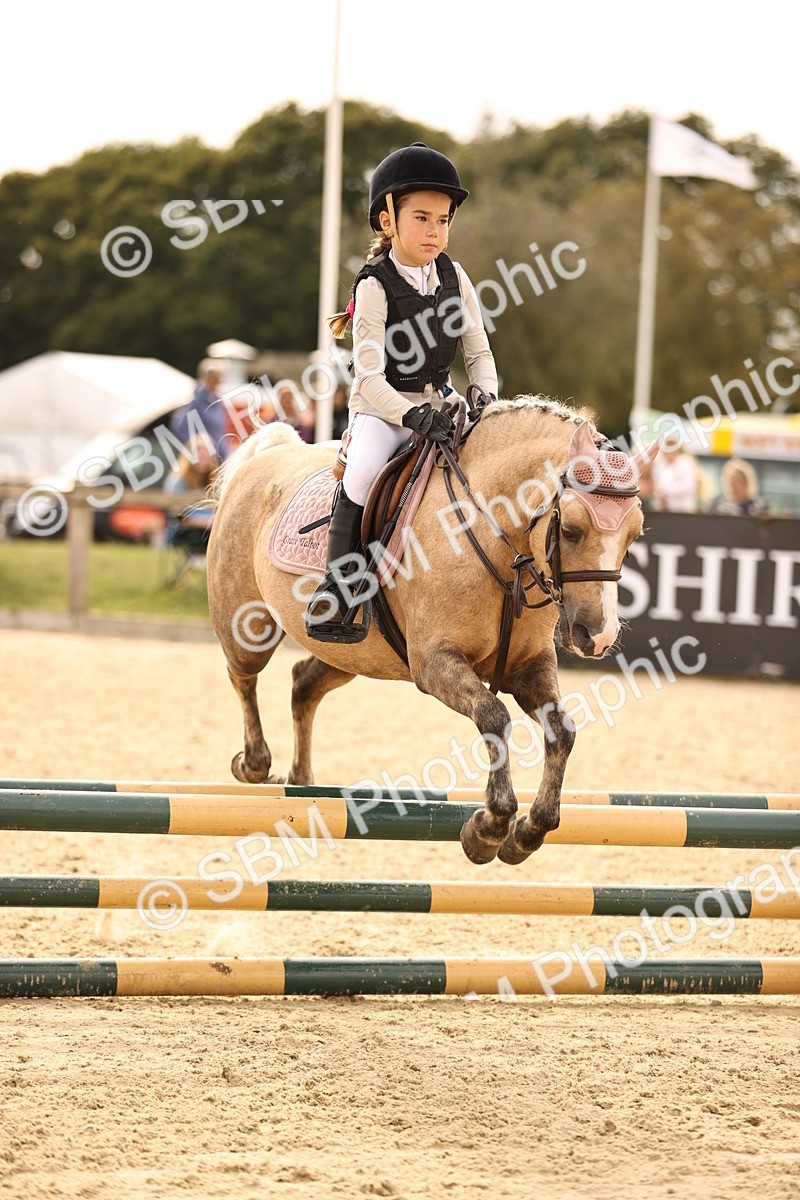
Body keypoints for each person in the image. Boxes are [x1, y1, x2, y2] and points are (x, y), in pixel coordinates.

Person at [305, 141, 499, 640]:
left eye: (443, 219)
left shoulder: (457, 277)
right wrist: (411, 417)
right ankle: (338, 590)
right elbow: (367, 377)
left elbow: (477, 353)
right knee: (366, 470)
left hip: (442, 403)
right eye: (422, 218)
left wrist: (485, 397)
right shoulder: (374, 286)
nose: (435, 231)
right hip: (383, 411)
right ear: (386, 220)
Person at [170, 366, 229, 461]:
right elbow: (181, 428)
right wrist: (198, 450)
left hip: (219, 457)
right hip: (205, 462)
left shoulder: (216, 400)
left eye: (220, 378)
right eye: (215, 378)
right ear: (206, 378)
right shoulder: (197, 401)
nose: (218, 382)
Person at [652, 443, 698, 513]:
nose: (665, 456)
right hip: (668, 510)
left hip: (682, 511)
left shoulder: (684, 463)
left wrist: (665, 491)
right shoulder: (667, 467)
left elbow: (688, 486)